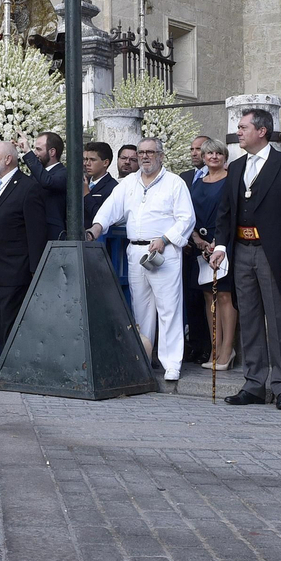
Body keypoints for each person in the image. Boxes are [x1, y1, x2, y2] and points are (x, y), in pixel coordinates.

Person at [211, 109, 281, 410]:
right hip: (241, 249)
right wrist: (222, 247)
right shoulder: (237, 166)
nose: (238, 132)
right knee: (250, 317)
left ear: (262, 131)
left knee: (278, 318)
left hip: (273, 252)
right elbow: (226, 211)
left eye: (243, 127)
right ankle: (254, 383)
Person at [86, 136, 196, 384]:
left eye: (150, 152)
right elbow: (110, 207)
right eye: (141, 152)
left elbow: (186, 219)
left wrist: (165, 239)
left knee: (168, 308)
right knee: (141, 308)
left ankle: (171, 363)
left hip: (163, 252)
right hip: (136, 251)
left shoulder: (174, 183)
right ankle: (143, 359)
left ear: (161, 155)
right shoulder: (129, 183)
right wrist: (96, 228)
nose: (144, 156)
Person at [0, 141, 47, 368]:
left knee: (10, 324)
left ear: (8, 159)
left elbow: (36, 232)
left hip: (14, 270)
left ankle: (12, 370)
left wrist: (35, 270)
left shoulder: (27, 187)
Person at [187, 138, 234, 371]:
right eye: (209, 154)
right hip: (200, 245)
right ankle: (215, 347)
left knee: (224, 296)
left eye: (218, 153)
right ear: (203, 157)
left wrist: (218, 242)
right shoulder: (198, 183)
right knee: (208, 296)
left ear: (225, 157)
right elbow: (189, 214)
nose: (213, 157)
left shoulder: (231, 180)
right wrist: (197, 239)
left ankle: (227, 349)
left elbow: (232, 213)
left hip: (223, 243)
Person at [21, 131, 68, 243]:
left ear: (52, 152)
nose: (35, 153)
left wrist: (28, 152)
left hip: (52, 236)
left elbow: (47, 182)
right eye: (34, 149)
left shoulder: (64, 173)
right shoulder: (37, 174)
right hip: (33, 233)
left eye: (39, 149)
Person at [81, 141, 117, 229]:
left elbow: (103, 217)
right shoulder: (83, 182)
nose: (87, 163)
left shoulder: (113, 187)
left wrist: (86, 195)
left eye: (92, 160)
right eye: (85, 159)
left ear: (105, 163)